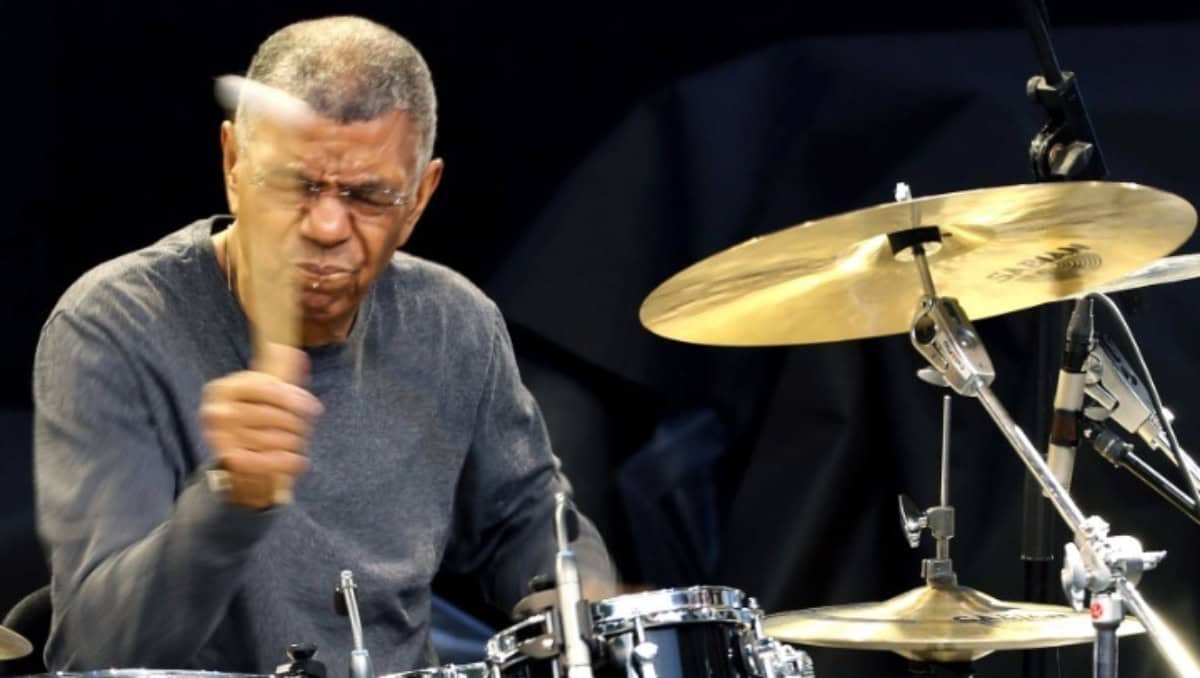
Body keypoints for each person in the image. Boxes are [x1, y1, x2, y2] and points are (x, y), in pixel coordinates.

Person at [32, 15, 616, 676]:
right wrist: (230, 499)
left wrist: (582, 594)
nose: (328, 226)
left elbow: (527, 520)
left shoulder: (454, 323)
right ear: (232, 163)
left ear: (420, 196)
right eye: (297, 185)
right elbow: (92, 650)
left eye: (369, 196)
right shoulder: (113, 325)